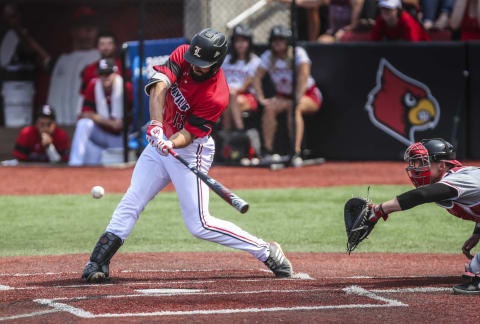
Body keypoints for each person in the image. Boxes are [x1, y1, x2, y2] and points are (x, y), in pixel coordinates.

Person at [80, 28, 293, 283]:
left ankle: (266, 250)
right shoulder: (185, 54)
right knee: (132, 200)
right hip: (161, 140)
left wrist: (170, 142)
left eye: (202, 65)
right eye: (194, 61)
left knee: (200, 224)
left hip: (192, 150)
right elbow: (159, 87)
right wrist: (157, 126)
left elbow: (189, 134)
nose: (195, 67)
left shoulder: (217, 95)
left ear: (216, 64)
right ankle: (98, 261)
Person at [367, 138, 480, 295]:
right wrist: (477, 233)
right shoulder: (454, 178)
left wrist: (380, 210)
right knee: (475, 266)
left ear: (442, 165)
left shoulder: (459, 179)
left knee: (476, 268)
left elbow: (422, 195)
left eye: (422, 162)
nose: (416, 168)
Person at [253, 25, 322, 165]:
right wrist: (260, 97)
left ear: (287, 41)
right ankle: (267, 151)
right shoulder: (268, 56)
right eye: (274, 40)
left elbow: (304, 75)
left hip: (308, 94)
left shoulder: (298, 53)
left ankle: (295, 153)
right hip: (283, 96)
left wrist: (298, 96)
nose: (277, 43)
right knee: (270, 107)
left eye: (281, 39)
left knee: (294, 108)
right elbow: (256, 77)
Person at [69, 58, 132, 166]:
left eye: (108, 73)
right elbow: (84, 114)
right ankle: (75, 163)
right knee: (83, 124)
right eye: (102, 74)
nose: (105, 77)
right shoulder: (93, 85)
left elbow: (136, 113)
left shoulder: (126, 87)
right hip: (102, 134)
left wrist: (124, 122)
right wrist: (109, 123)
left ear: (115, 73)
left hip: (122, 137)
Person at [47, 7, 100, 125]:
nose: (88, 29)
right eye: (83, 25)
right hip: (59, 124)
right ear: (73, 30)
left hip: (87, 126)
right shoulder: (62, 60)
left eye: (92, 25)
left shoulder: (101, 59)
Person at [221, 24, 260, 131]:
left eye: (243, 41)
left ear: (249, 43)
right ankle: (235, 136)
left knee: (231, 97)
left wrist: (230, 92)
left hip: (247, 96)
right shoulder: (226, 60)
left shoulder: (255, 61)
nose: (240, 44)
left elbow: (245, 86)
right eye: (237, 41)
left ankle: (235, 131)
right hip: (227, 96)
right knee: (228, 100)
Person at [80, 31, 126, 95]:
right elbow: (84, 95)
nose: (106, 47)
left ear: (115, 46)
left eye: (109, 44)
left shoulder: (125, 67)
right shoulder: (89, 70)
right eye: (102, 44)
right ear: (97, 46)